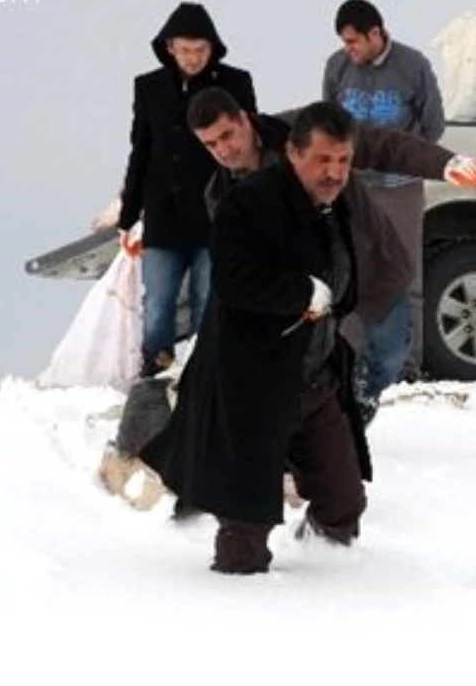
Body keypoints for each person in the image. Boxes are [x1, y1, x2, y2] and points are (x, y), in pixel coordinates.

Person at [139, 102, 374, 575]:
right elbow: (235, 281)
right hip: (256, 388)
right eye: (323, 160)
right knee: (243, 537)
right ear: (292, 152)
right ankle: (243, 621)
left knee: (342, 503)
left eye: (343, 160)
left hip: (317, 381)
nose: (334, 172)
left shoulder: (339, 202)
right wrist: (300, 291)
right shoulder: (249, 204)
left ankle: (335, 588)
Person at [186, 87, 476, 422]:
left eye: (227, 135)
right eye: (211, 144)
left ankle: (363, 396)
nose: (224, 150)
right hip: (307, 293)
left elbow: (379, 144)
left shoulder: (301, 130)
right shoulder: (220, 196)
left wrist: (444, 162)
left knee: (390, 355)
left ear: (244, 119)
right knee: (317, 372)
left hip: (369, 265)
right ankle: (338, 425)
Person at [114, 2, 257, 377]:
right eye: (185, 50)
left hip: (218, 214)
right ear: (170, 48)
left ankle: (204, 372)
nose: (192, 58)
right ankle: (155, 372)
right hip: (164, 211)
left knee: (208, 299)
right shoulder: (148, 88)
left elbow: (251, 147)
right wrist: (128, 215)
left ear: (212, 48)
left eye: (200, 50)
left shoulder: (235, 83)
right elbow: (140, 152)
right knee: (158, 302)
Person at [323, 0, 446, 387]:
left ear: (375, 33)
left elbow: (432, 125)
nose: (350, 50)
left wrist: (404, 162)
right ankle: (353, 361)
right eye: (345, 43)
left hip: (400, 190)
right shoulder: (337, 67)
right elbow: (328, 124)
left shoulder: (413, 66)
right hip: (353, 188)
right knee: (352, 273)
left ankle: (408, 367)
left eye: (354, 42)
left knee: (404, 274)